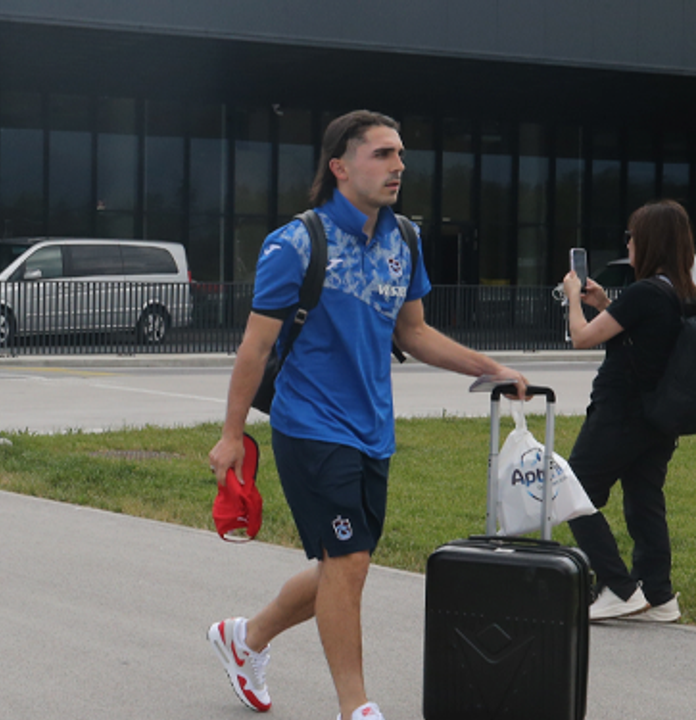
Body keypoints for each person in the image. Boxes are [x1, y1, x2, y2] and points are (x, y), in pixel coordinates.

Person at [205, 110, 530, 720]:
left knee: (344, 567)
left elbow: (414, 332)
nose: (398, 165)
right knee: (348, 561)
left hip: (373, 429)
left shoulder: (405, 239)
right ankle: (355, 708)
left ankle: (244, 639)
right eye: (382, 154)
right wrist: (230, 435)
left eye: (400, 154)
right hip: (309, 425)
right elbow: (254, 347)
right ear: (340, 167)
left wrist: (490, 368)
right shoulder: (295, 243)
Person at [562, 199, 694, 624]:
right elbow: (643, 340)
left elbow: (583, 338)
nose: (628, 244)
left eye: (632, 236)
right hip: (659, 417)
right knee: (643, 500)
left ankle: (619, 587)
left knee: (573, 488)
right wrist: (605, 304)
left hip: (620, 413)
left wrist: (573, 299)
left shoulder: (643, 293)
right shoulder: (680, 294)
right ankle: (658, 595)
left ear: (649, 241)